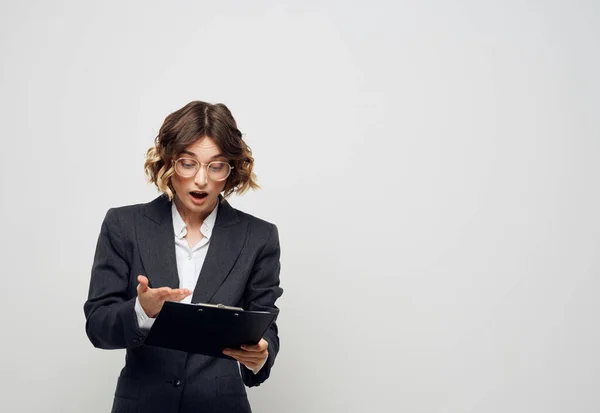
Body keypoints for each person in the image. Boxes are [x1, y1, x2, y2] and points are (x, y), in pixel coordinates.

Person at [83, 101, 283, 413]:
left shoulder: (258, 237)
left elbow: (265, 321)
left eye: (216, 166)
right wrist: (141, 311)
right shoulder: (123, 225)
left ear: (231, 170)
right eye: (188, 163)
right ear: (167, 163)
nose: (201, 180)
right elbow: (97, 326)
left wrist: (262, 354)